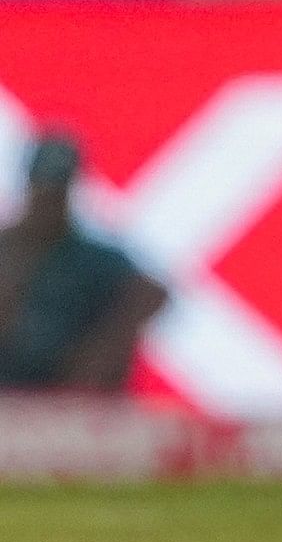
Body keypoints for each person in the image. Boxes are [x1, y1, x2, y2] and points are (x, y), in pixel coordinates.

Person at [0, 137, 165, 396]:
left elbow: (151, 292)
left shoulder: (92, 259)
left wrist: (103, 346)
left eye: (56, 192)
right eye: (43, 189)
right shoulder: (8, 248)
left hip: (69, 387)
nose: (48, 201)